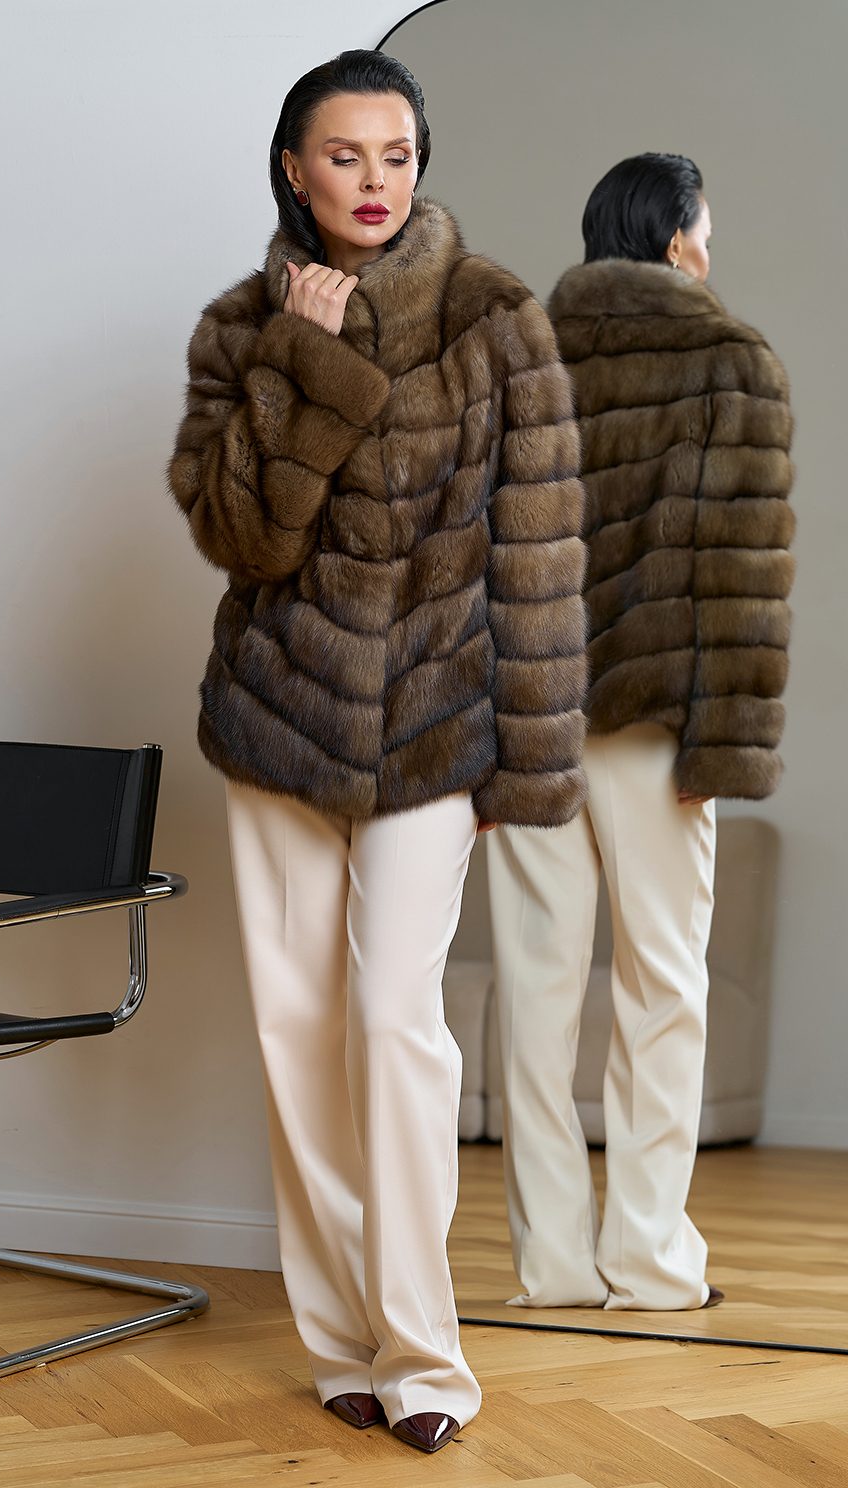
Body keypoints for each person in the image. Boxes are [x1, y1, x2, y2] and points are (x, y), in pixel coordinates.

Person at [168, 49, 589, 1451]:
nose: (372, 181)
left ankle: (424, 1358)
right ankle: (341, 1343)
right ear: (295, 169)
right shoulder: (240, 328)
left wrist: (526, 764)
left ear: (421, 163)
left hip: (432, 731)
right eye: (343, 156)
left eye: (395, 155)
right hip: (278, 723)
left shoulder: (495, 318)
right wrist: (303, 361)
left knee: (395, 1026)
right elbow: (245, 538)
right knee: (297, 1036)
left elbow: (539, 551)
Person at [487, 153, 794, 1312]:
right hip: (654, 729)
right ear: (672, 238)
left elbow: (477, 555)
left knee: (534, 992)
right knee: (661, 990)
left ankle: (552, 1266)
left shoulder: (521, 355)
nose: (709, 249)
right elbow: (738, 577)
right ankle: (649, 1261)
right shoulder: (730, 359)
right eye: (703, 229)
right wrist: (720, 744)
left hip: (528, 718)